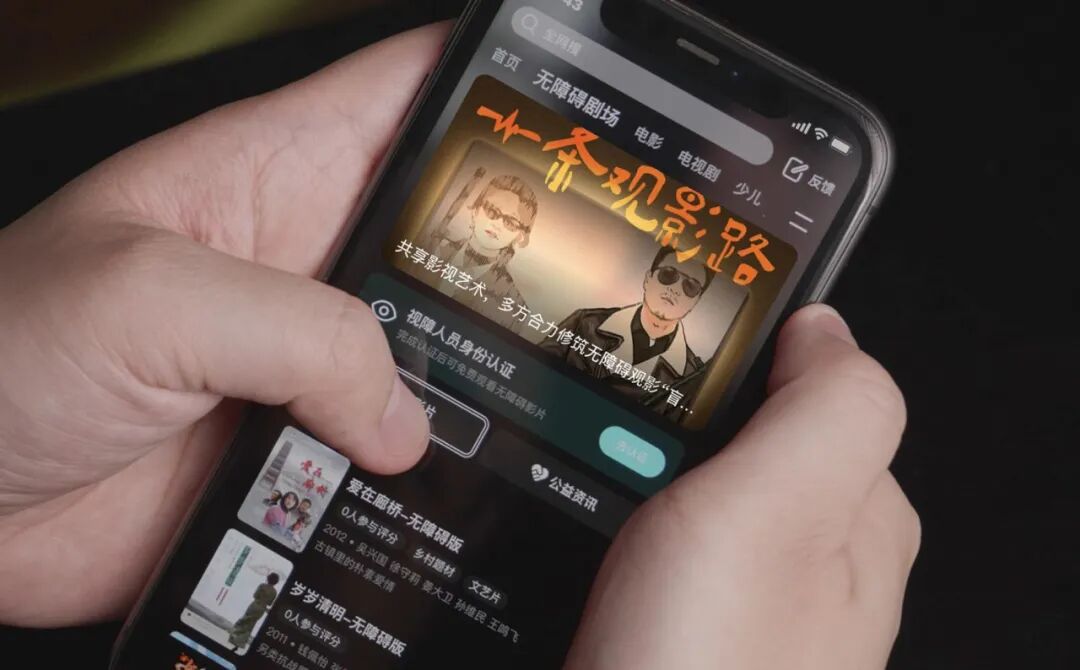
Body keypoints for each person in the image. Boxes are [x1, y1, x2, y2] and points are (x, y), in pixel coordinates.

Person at [0, 22, 918, 669]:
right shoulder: (565, 325)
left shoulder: (640, 365)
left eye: (691, 285)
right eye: (489, 208)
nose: (673, 292)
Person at [542, 246, 710, 420]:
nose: (675, 289)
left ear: (695, 302)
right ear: (648, 279)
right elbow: (533, 373)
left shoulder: (690, 377)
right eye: (668, 274)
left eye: (690, 286)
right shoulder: (584, 322)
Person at [418, 174, 539, 334]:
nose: (496, 224)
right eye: (492, 210)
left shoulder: (514, 306)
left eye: (510, 222)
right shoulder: (427, 247)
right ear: (475, 209)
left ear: (520, 236)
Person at [227, 572, 280, 651]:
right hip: (261, 609)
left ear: (268, 578)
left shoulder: (262, 586)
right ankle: (238, 644)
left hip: (254, 605)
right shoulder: (274, 592)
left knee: (243, 621)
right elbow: (269, 603)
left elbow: (255, 595)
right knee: (250, 626)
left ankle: (233, 635)